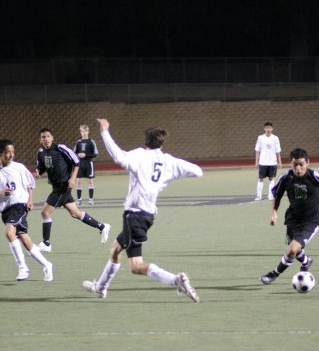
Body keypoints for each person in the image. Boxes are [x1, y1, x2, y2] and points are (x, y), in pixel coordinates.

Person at [82, 118, 203, 302]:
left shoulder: (140, 156)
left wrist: (104, 131)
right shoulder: (168, 161)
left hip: (134, 216)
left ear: (146, 141)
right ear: (162, 142)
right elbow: (197, 171)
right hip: (146, 216)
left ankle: (176, 280)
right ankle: (100, 288)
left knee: (136, 266)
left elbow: (118, 156)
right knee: (115, 249)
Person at [260, 147, 319, 285]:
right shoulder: (286, 178)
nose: (298, 168)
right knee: (294, 247)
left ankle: (274, 274)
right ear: (291, 164)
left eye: (301, 164)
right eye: (295, 165)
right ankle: (307, 261)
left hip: (311, 220)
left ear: (307, 163)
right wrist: (274, 212)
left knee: (292, 250)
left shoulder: (315, 176)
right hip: (293, 218)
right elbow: (277, 194)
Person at [35, 128, 110, 252]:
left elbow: (76, 161)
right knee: (75, 213)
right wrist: (38, 173)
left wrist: (73, 178)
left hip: (63, 186)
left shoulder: (61, 148)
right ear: (40, 140)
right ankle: (102, 226)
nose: (46, 139)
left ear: (52, 137)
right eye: (43, 137)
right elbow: (42, 167)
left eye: (48, 136)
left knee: (45, 213)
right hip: (56, 186)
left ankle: (46, 243)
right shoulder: (41, 152)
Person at [0, 139, 53, 281]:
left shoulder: (19, 167)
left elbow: (30, 183)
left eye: (12, 152)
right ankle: (47, 265)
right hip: (5, 210)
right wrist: (1, 192)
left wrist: (30, 199)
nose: (11, 155)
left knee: (10, 232)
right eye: (7, 152)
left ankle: (23, 267)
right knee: (24, 238)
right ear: (1, 154)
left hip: (19, 205)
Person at [254, 121, 282, 201]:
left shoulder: (275, 138)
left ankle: (270, 195)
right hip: (263, 162)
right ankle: (259, 196)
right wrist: (256, 162)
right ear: (264, 129)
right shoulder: (260, 138)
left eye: (269, 128)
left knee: (271, 178)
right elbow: (257, 151)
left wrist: (280, 162)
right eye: (266, 128)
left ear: (272, 129)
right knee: (260, 178)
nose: (268, 129)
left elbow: (278, 151)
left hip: (272, 162)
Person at [74, 124, 98, 205]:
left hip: (88, 164)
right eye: (82, 131)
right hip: (80, 164)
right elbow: (74, 153)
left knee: (90, 181)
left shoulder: (91, 142)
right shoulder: (78, 142)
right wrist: (78, 155)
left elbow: (95, 153)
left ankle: (90, 199)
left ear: (88, 132)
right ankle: (79, 200)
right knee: (79, 181)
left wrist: (86, 155)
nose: (84, 133)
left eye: (85, 131)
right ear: (80, 132)